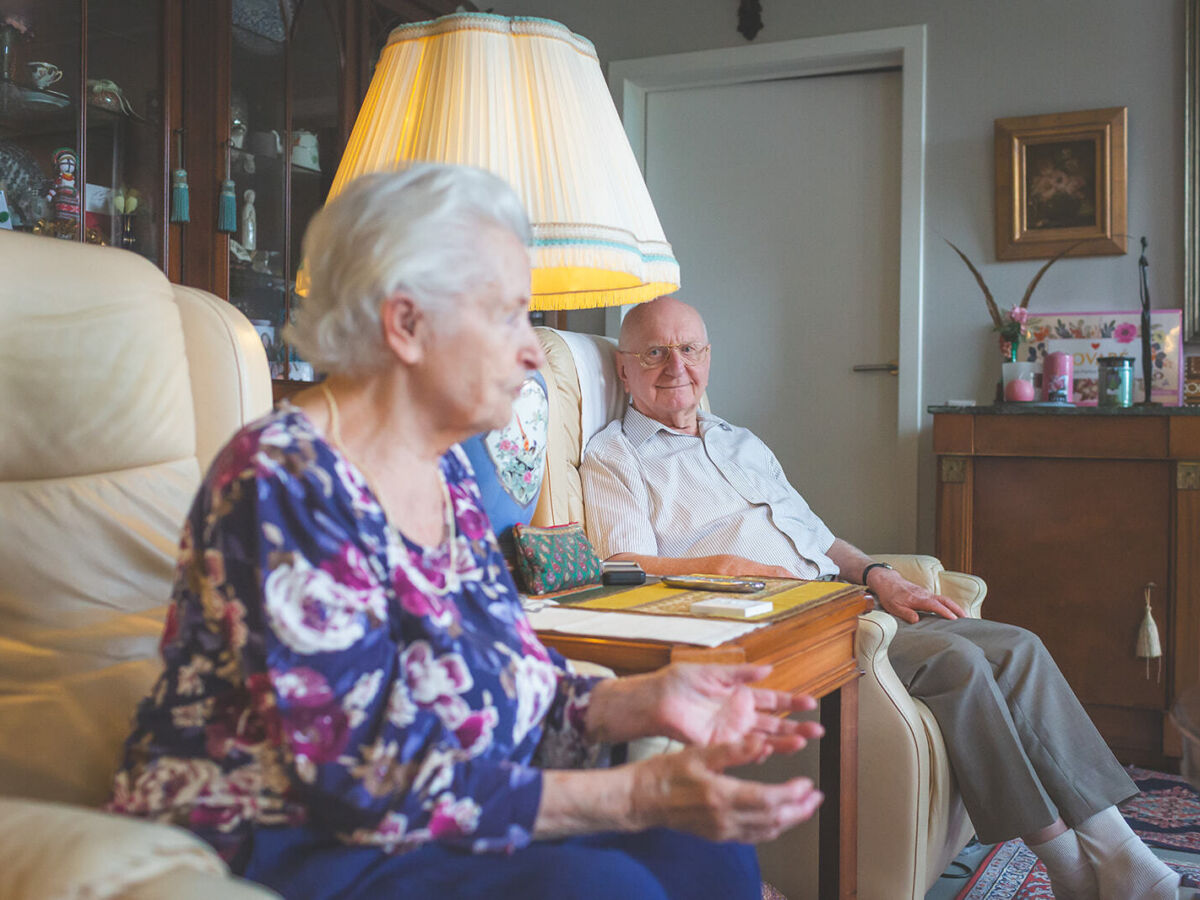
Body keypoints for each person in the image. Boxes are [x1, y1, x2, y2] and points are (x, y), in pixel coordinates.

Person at [107, 167, 826, 900]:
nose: (530, 351)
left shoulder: (445, 474)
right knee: (603, 887)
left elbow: (500, 681)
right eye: (509, 316)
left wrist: (646, 701)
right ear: (407, 324)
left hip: (435, 805)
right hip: (285, 832)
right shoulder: (283, 480)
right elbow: (355, 776)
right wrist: (633, 794)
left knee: (707, 858)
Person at [580, 295, 1186, 900]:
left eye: (689, 349)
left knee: (1019, 646)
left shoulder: (740, 441)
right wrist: (729, 566)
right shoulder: (616, 454)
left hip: (842, 599)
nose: (675, 366)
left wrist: (876, 574)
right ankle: (1069, 866)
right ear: (624, 369)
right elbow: (622, 565)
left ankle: (1121, 852)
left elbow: (816, 535)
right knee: (960, 663)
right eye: (655, 352)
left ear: (708, 357)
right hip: (778, 623)